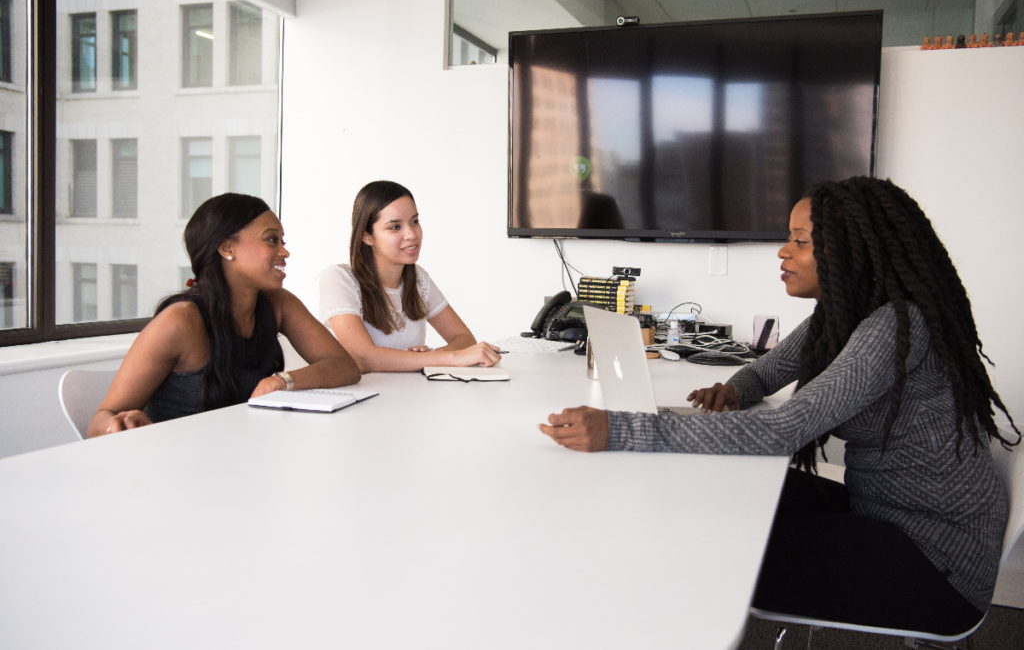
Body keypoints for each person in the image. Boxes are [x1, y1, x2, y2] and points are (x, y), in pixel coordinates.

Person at [539, 176, 1019, 635]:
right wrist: (736, 390)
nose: (783, 251)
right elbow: (768, 369)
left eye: (801, 241)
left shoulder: (895, 325)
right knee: (723, 494)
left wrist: (621, 430)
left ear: (850, 250)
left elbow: (783, 430)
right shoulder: (845, 316)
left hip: (934, 562)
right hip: (885, 513)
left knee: (710, 545)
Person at [88, 193, 360, 437]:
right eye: (271, 239)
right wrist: (120, 425)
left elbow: (344, 366)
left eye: (282, 241)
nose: (284, 251)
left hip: (241, 458)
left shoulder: (279, 304)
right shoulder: (180, 321)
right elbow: (99, 422)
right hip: (178, 469)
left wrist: (282, 381)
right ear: (227, 248)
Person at [318, 180, 501, 372]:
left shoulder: (418, 278)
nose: (412, 234)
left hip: (412, 395)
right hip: (365, 398)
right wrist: (441, 358)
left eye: (415, 221)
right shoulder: (338, 279)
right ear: (367, 236)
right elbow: (364, 358)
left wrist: (428, 358)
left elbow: (463, 338)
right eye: (395, 227)